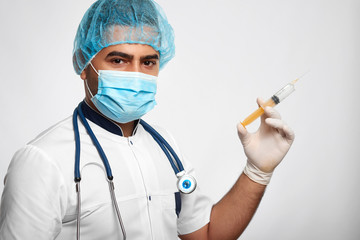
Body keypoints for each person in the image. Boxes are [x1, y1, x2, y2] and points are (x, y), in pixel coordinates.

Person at [0, 0, 295, 239]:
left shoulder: (165, 145)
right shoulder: (42, 160)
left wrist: (257, 171)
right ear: (84, 64)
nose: (136, 75)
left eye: (148, 62)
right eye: (119, 60)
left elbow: (205, 236)